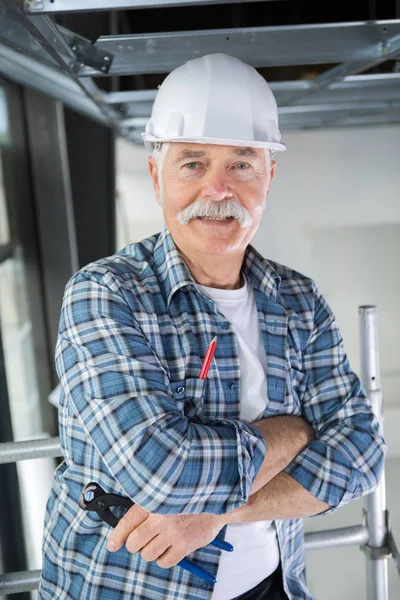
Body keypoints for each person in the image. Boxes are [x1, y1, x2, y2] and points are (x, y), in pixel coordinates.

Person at [39, 54, 386, 600]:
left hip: (272, 587)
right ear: (157, 176)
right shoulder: (106, 293)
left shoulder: (297, 299)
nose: (219, 190)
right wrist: (293, 432)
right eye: (193, 164)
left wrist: (215, 515)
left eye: (242, 164)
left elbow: (362, 454)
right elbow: (161, 472)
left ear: (269, 175)